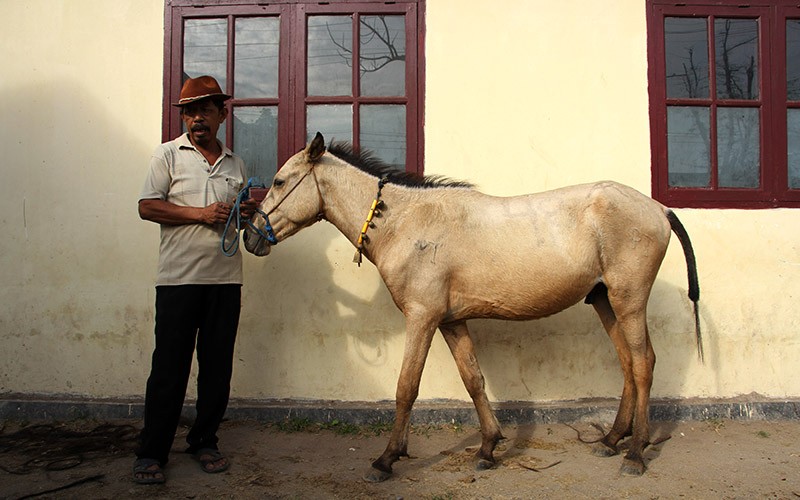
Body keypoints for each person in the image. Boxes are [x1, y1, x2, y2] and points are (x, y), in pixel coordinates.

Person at [133, 75, 257, 485]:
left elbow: (238, 220)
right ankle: (152, 452)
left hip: (226, 280)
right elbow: (147, 207)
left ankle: (204, 441)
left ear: (222, 115)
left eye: (205, 110)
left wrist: (242, 216)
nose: (197, 118)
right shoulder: (167, 154)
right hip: (178, 281)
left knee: (217, 369)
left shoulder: (236, 164)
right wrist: (200, 214)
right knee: (169, 369)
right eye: (189, 112)